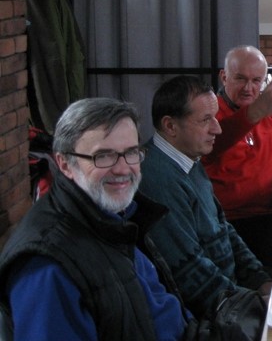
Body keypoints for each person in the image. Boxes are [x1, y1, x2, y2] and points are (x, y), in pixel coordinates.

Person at [0, 98, 189, 341]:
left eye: (131, 152)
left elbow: (162, 315)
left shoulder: (116, 216)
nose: (123, 169)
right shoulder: (47, 265)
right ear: (65, 164)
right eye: (104, 156)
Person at [140, 75, 272, 319]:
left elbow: (225, 230)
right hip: (210, 317)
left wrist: (262, 282)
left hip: (232, 297)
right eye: (205, 120)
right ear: (170, 126)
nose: (217, 128)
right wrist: (256, 304)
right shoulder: (157, 180)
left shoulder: (189, 158)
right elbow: (189, 276)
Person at [202, 45, 272, 279]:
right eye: (240, 78)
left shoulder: (267, 117)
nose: (249, 88)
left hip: (267, 217)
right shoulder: (208, 116)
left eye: (256, 80)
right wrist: (255, 112)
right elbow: (216, 143)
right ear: (224, 76)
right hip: (226, 225)